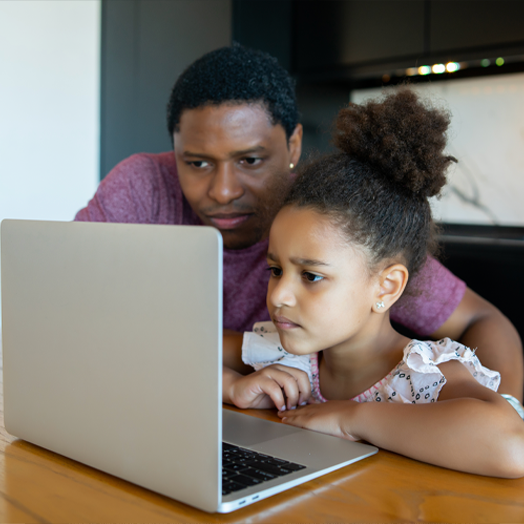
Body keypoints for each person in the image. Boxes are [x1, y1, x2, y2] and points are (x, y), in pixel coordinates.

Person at [75, 44, 523, 401]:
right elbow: (65, 309)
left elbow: (482, 320)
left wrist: (503, 412)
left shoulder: (331, 227)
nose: (224, 190)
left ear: (293, 145)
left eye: (250, 159)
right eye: (196, 163)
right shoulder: (141, 187)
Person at [223, 89, 524, 478]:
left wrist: (353, 418)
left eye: (311, 276)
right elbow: (156, 348)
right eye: (275, 270)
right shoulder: (286, 356)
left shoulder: (423, 377)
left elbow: (512, 445)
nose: (279, 295)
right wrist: (230, 387)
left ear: (386, 287)